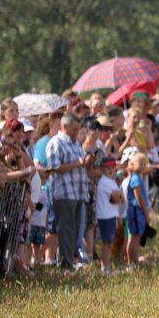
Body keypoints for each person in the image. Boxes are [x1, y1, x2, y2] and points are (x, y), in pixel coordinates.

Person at [46, 113, 93, 272]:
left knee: (75, 231)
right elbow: (54, 167)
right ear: (64, 127)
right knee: (65, 230)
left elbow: (80, 165)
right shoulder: (56, 143)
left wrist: (87, 162)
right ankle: (65, 264)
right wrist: (76, 164)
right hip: (64, 193)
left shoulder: (76, 144)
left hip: (78, 193)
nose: (77, 132)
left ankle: (70, 261)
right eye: (74, 129)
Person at [92, 156, 124, 273]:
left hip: (109, 215)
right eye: (107, 168)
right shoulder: (106, 182)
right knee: (107, 242)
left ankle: (106, 265)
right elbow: (118, 197)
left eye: (112, 167)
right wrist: (120, 197)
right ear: (101, 169)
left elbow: (119, 197)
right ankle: (105, 267)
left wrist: (120, 197)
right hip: (106, 216)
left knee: (109, 242)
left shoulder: (109, 181)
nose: (111, 170)